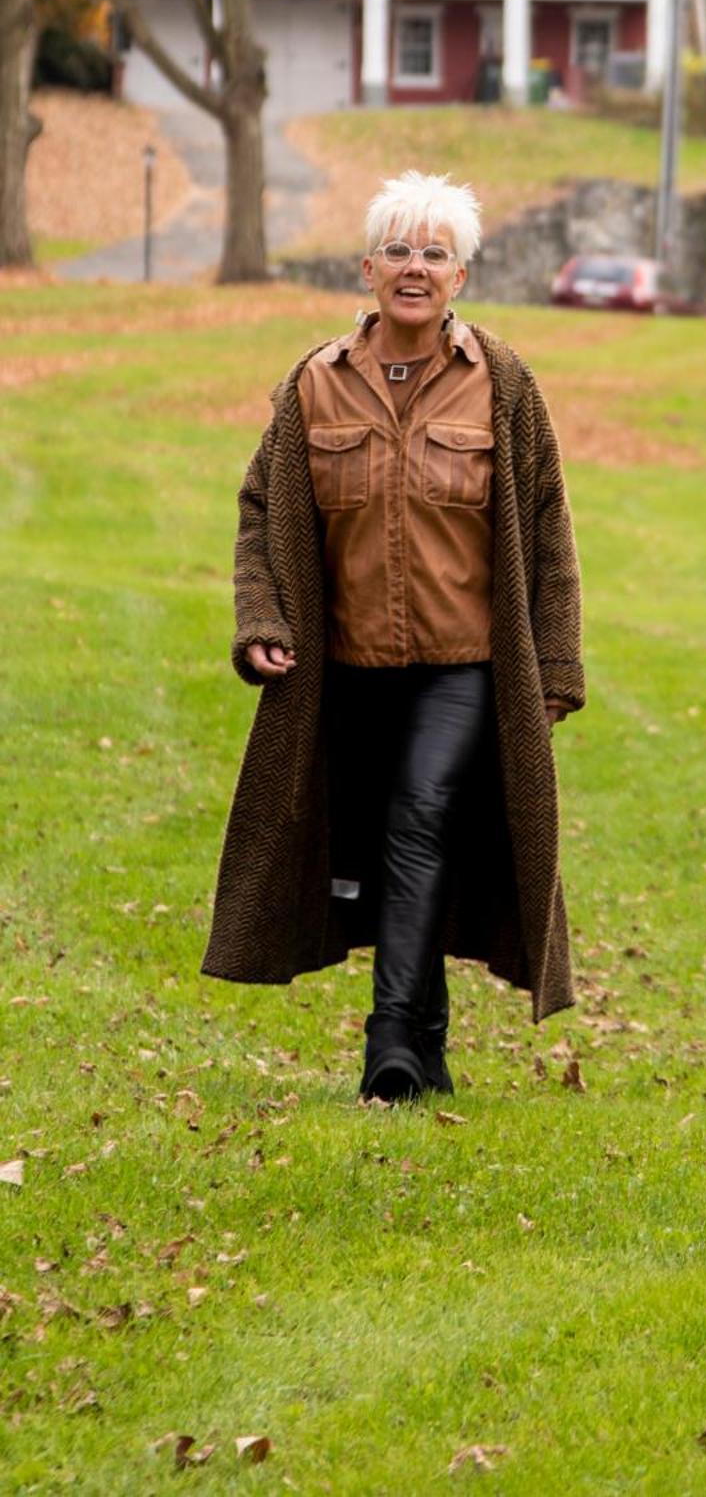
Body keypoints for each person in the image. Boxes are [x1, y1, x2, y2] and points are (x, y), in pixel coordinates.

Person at [203, 171, 584, 1103]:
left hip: (465, 666)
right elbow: (263, 515)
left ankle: (389, 1047)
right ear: (367, 268)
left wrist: (558, 659)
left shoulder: (503, 381)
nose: (416, 268)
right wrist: (262, 620)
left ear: (462, 277)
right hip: (345, 670)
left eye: (436, 254)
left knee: (417, 821)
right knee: (379, 844)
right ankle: (431, 1036)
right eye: (400, 251)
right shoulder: (315, 385)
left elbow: (544, 522)